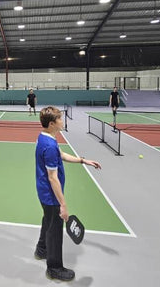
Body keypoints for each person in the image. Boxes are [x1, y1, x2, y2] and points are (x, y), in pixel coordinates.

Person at [34, 106, 101, 281]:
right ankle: (54, 269)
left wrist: (82, 160)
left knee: (47, 220)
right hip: (51, 195)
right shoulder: (48, 146)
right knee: (55, 231)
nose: (62, 121)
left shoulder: (45, 137)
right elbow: (53, 178)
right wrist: (63, 205)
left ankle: (41, 250)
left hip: (43, 193)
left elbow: (61, 154)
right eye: (59, 119)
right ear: (52, 124)